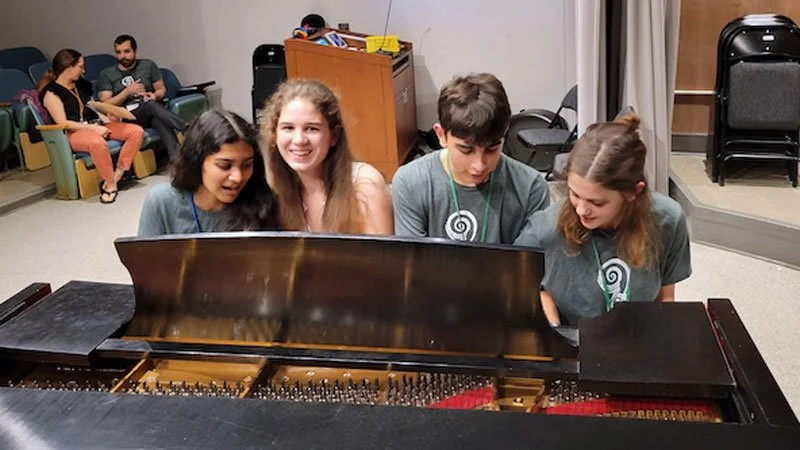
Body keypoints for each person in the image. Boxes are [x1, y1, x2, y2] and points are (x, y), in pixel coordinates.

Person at [514, 114, 692, 326]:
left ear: (633, 192)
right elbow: (527, 290)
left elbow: (665, 297)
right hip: (571, 342)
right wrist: (555, 330)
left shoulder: (668, 220)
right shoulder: (544, 229)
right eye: (574, 194)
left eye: (597, 203)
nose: (581, 209)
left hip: (638, 337)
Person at [391, 73, 550, 244]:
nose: (479, 166)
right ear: (441, 135)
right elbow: (413, 263)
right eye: (466, 150)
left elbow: (526, 266)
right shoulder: (410, 182)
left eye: (491, 149)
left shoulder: (531, 187)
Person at [260, 79, 393, 234]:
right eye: (288, 128)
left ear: (333, 136)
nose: (299, 140)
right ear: (274, 134)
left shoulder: (364, 184)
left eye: (311, 129)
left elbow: (381, 257)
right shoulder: (274, 190)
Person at [137, 109, 280, 236]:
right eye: (225, 165)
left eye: (247, 165)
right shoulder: (161, 202)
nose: (238, 177)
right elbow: (144, 263)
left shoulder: (263, 203)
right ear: (197, 161)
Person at [39, 48, 144, 204]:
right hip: (73, 132)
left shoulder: (79, 85)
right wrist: (93, 128)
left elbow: (91, 106)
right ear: (68, 67)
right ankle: (110, 184)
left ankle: (117, 176)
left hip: (93, 123)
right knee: (97, 142)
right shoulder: (52, 93)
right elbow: (64, 123)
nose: (83, 71)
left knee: (135, 131)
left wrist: (106, 116)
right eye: (80, 67)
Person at [96, 34, 188, 161]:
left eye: (127, 51)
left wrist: (154, 95)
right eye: (118, 52)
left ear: (135, 51)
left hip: (150, 111)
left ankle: (178, 160)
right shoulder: (106, 74)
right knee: (150, 107)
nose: (122, 56)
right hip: (127, 116)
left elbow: (161, 90)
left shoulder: (148, 65)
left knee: (157, 119)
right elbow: (105, 104)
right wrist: (127, 92)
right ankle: (187, 128)